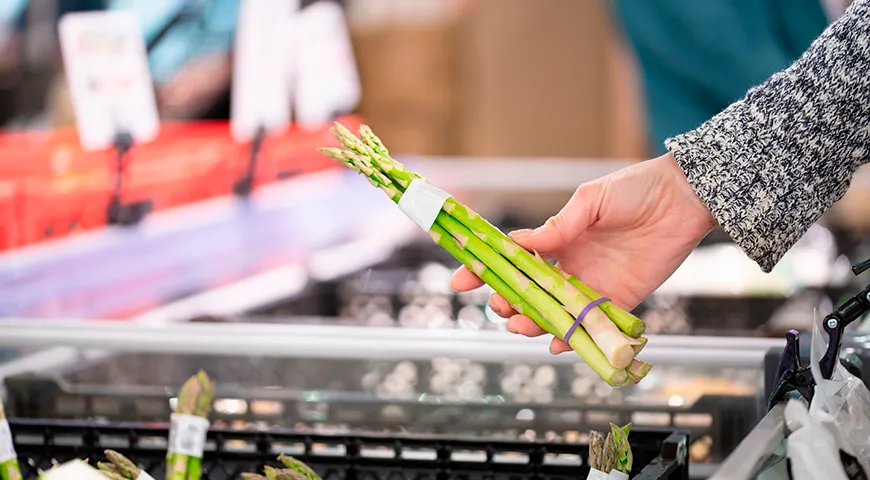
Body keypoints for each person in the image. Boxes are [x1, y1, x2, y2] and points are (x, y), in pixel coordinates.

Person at [451, 0, 870, 354]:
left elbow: (749, 52)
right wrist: (694, 184)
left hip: (760, 183)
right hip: (733, 184)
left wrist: (700, 180)